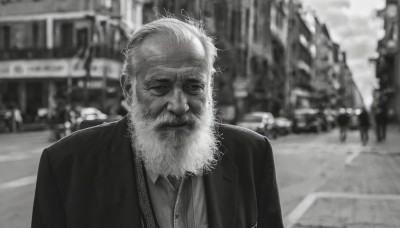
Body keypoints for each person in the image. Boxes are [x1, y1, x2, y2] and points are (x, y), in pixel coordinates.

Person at [32, 18, 283, 228]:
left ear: (209, 87)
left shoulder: (252, 154)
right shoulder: (66, 166)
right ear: (129, 90)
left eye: (193, 86)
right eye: (160, 87)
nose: (179, 106)